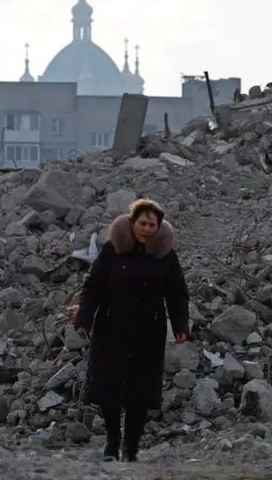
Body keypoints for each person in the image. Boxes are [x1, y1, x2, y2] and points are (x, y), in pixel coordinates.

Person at [72, 198, 190, 462]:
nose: (148, 229)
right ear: (132, 222)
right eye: (143, 223)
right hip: (111, 329)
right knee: (108, 389)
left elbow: (177, 294)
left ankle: (132, 448)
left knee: (140, 393)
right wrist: (84, 317)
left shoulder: (165, 255)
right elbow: (93, 287)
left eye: (153, 224)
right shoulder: (112, 251)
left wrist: (180, 325)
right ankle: (112, 442)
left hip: (148, 333)